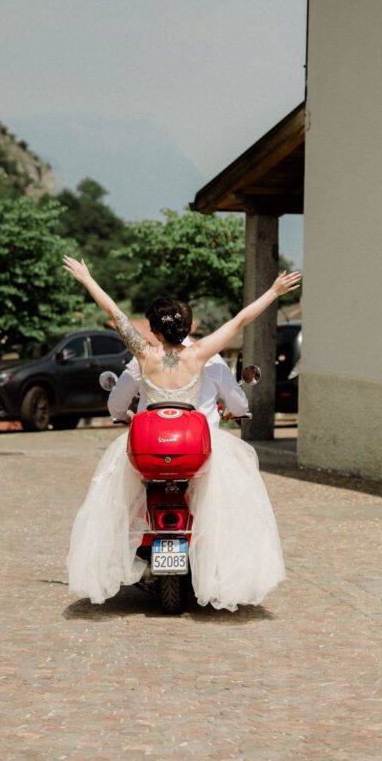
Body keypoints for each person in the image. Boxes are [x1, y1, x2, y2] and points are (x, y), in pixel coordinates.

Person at [63, 255, 301, 612]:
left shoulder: (144, 355)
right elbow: (241, 319)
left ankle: (134, 549)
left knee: (117, 501)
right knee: (229, 502)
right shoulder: (199, 354)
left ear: (154, 331)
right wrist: (273, 291)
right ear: (183, 328)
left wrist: (87, 278)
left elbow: (114, 312)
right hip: (193, 445)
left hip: (150, 446)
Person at [107, 301, 249, 427]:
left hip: (151, 439)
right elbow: (239, 406)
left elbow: (116, 405)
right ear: (191, 326)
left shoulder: (144, 357)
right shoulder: (209, 357)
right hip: (202, 441)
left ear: (157, 330)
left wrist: (126, 415)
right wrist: (234, 411)